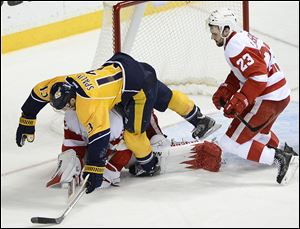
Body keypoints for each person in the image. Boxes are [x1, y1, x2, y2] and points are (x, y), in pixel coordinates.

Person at [16, 52, 221, 193]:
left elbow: (100, 135)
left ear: (72, 99)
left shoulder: (89, 102)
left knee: (133, 134)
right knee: (165, 97)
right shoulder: (60, 83)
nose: (65, 111)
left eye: (66, 106)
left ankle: (149, 164)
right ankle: (200, 119)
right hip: (121, 65)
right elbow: (37, 94)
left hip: (139, 87)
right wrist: (27, 120)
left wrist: (95, 169)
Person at [206, 8, 298, 184]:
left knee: (228, 143)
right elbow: (243, 70)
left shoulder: (234, 46)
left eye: (215, 32)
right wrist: (228, 88)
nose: (213, 36)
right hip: (280, 96)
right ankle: (283, 149)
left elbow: (258, 77)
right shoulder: (240, 38)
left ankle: (279, 157)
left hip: (268, 98)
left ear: (226, 29)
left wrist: (241, 100)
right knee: (260, 135)